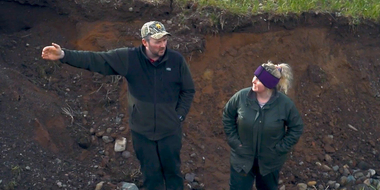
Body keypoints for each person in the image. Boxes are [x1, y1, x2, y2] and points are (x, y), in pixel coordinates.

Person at [41, 21, 195, 190]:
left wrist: (178, 116)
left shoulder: (176, 61)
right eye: (157, 41)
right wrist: (64, 55)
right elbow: (96, 60)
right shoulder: (129, 58)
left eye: (165, 40)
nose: (163, 45)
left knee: (173, 174)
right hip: (142, 134)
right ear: (145, 42)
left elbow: (188, 90)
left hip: (170, 133)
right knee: (151, 176)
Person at [222, 61, 304, 190]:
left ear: (268, 84)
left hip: (269, 162)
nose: (253, 81)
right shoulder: (241, 97)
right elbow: (228, 116)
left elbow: (296, 128)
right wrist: (234, 141)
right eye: (254, 76)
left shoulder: (285, 104)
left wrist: (280, 149)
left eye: (259, 79)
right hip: (242, 158)